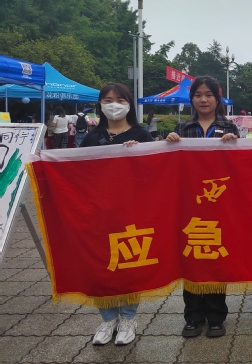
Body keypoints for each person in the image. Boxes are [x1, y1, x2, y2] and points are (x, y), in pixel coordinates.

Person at [165, 76, 239, 339]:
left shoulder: (228, 126)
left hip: (219, 204)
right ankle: (193, 316)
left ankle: (217, 316)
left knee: (216, 258)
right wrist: (169, 142)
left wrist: (234, 144)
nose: (203, 99)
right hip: (190, 205)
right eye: (198, 95)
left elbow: (239, 164)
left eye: (209, 95)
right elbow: (171, 165)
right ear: (192, 99)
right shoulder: (183, 128)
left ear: (217, 99)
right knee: (192, 258)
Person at [81, 82, 154, 346]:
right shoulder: (92, 137)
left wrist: (138, 156)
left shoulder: (141, 135)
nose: (114, 105)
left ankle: (128, 318)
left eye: (120, 100)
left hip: (131, 212)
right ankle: (107, 319)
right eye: (108, 100)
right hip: (98, 213)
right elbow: (76, 171)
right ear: (100, 104)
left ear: (129, 104)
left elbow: (153, 173)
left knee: (129, 263)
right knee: (101, 265)